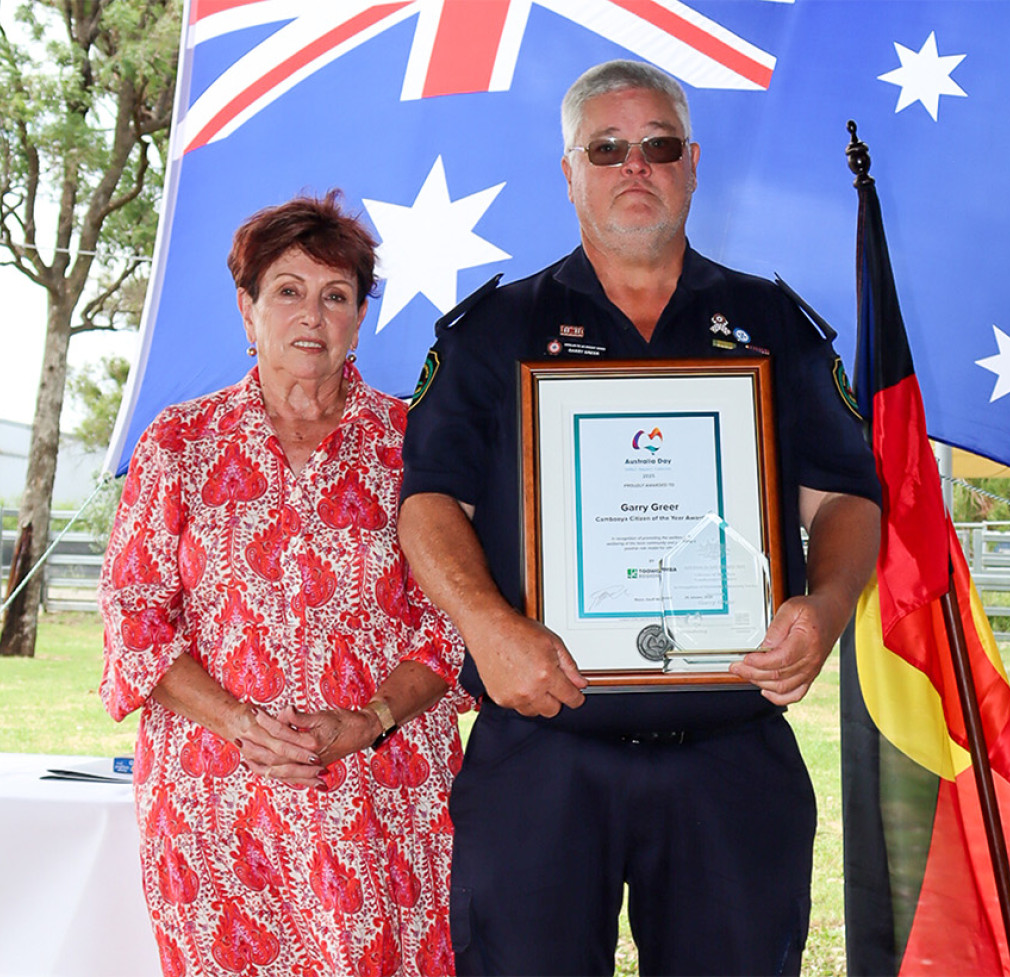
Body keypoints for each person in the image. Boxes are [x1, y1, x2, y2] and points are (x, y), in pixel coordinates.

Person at [398, 60, 882, 976]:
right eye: (606, 148)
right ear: (570, 170)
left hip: (730, 758)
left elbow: (849, 497)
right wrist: (489, 627)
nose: (635, 166)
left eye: (658, 145)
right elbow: (428, 504)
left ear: (693, 162)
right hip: (542, 756)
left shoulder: (772, 324)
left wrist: (824, 610)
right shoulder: (495, 331)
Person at [99, 191, 465, 977]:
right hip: (219, 809)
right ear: (247, 308)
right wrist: (240, 721)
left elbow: (454, 622)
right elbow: (133, 622)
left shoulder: (415, 448)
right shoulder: (179, 444)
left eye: (336, 295)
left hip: (384, 797)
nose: (312, 315)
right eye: (288, 291)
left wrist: (370, 718)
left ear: (360, 317)